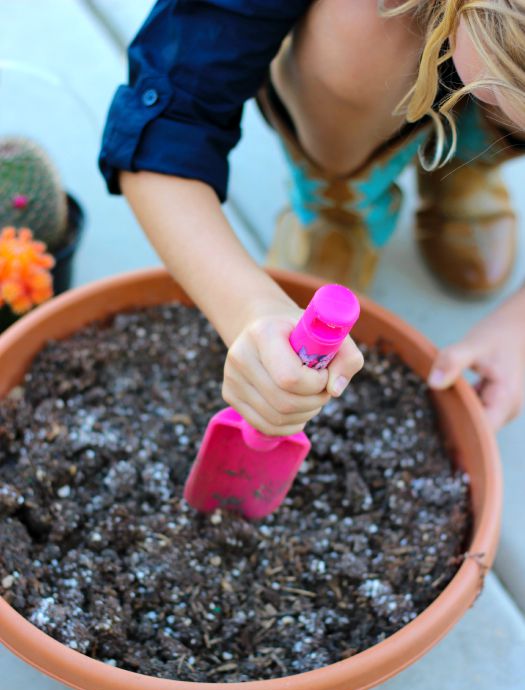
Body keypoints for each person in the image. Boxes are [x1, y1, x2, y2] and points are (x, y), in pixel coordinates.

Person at [99, 0, 525, 436]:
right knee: (360, 26)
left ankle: (464, 162)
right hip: (364, 51)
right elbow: (170, 123)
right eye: (499, 90)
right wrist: (250, 309)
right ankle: (339, 196)